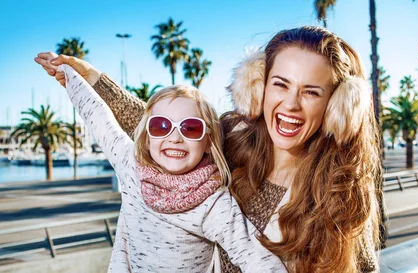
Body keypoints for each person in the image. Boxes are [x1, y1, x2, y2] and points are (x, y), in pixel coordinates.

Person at [36, 26, 381, 273]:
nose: (290, 104)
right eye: (280, 84)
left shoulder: (340, 198)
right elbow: (168, 128)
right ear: (258, 86)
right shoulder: (230, 142)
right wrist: (94, 80)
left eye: (311, 92)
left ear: (338, 107)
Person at [55, 64, 287, 273]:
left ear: (208, 142)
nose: (175, 137)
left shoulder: (213, 202)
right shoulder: (130, 166)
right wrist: (68, 74)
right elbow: (99, 119)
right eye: (161, 126)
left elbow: (254, 256)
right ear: (146, 137)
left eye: (191, 128)